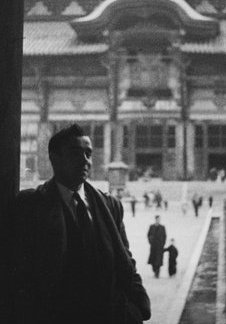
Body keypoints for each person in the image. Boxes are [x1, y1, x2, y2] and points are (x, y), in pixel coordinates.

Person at [2, 124, 151, 324]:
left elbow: (125, 260)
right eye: (75, 153)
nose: (85, 161)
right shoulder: (30, 205)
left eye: (88, 154)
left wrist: (137, 308)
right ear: (54, 159)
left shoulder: (110, 205)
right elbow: (18, 272)